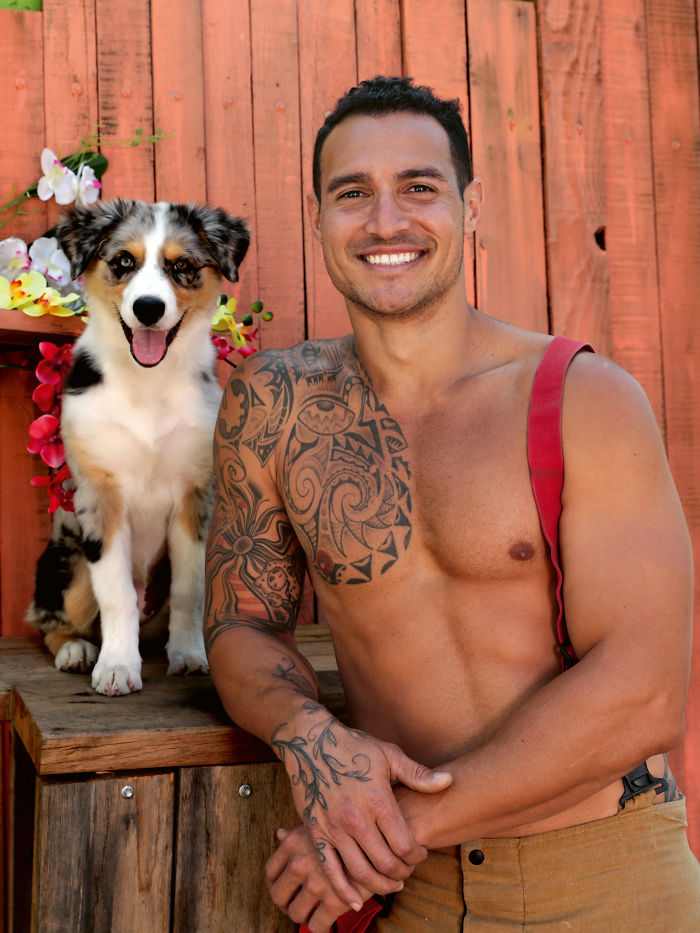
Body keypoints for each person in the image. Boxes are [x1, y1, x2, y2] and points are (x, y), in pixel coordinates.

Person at [204, 76, 700, 932]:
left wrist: (375, 834)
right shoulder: (272, 406)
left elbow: (645, 689)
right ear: (318, 218)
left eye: (419, 188)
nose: (386, 221)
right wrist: (306, 733)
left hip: (606, 874)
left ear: (470, 211)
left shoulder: (583, 397)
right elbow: (242, 624)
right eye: (352, 193)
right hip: (415, 894)